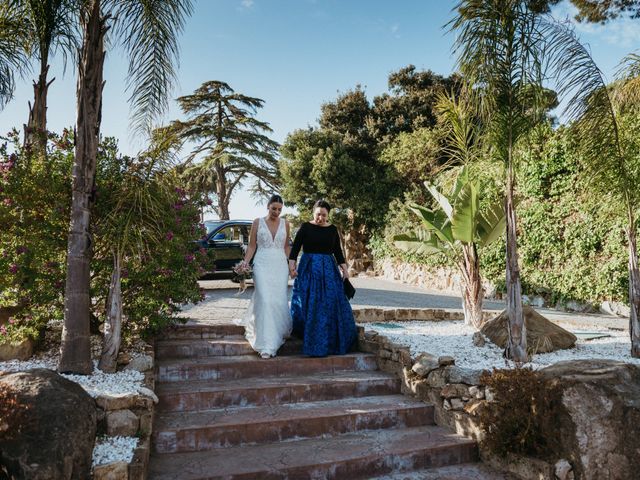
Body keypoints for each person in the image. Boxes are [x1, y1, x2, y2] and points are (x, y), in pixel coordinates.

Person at [288, 200, 357, 357]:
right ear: (313, 213)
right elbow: (296, 248)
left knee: (330, 302)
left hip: (328, 270)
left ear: (328, 215)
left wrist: (345, 270)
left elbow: (338, 252)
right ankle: (306, 334)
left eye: (324, 215)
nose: (320, 217)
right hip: (308, 269)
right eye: (318, 214)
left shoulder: (332, 230)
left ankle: (328, 339)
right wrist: (291, 267)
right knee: (307, 301)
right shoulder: (305, 227)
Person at [237, 194, 293, 359]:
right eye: (274, 208)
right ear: (268, 206)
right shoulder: (257, 222)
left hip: (279, 266)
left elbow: (286, 247)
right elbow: (252, 246)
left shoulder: (286, 224)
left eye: (279, 209)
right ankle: (266, 344)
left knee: (277, 300)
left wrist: (291, 265)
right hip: (261, 264)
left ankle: (275, 334)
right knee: (265, 299)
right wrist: (245, 263)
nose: (276, 212)